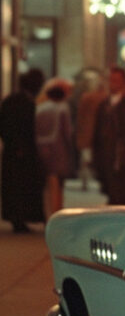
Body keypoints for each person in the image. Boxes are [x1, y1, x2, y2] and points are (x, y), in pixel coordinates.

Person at [0, 68, 45, 232]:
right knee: (20, 187)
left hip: (13, 151)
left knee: (15, 188)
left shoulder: (11, 101)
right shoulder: (25, 103)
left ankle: (17, 219)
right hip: (21, 152)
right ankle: (19, 219)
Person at [92, 66, 125, 205]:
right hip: (107, 156)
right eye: (111, 80)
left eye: (117, 80)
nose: (113, 83)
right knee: (112, 192)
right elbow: (97, 133)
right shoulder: (103, 106)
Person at [35, 80, 76, 218]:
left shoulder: (40, 108)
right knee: (58, 183)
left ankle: (50, 212)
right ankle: (57, 211)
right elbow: (67, 132)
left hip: (42, 148)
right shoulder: (63, 108)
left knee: (49, 182)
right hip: (59, 149)